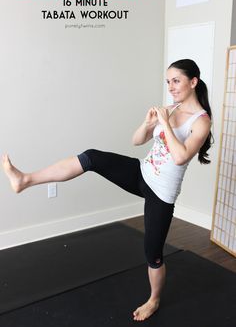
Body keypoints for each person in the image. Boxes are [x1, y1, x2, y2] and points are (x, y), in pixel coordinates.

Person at [2, 59, 213, 321]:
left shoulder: (201, 121)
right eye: (167, 81)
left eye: (176, 81)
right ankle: (25, 180)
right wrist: (149, 123)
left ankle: (154, 299)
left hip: (162, 193)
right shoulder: (170, 108)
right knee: (92, 157)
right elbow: (136, 141)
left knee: (153, 253)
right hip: (142, 173)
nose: (170, 87)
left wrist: (166, 123)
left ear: (193, 82)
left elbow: (180, 156)